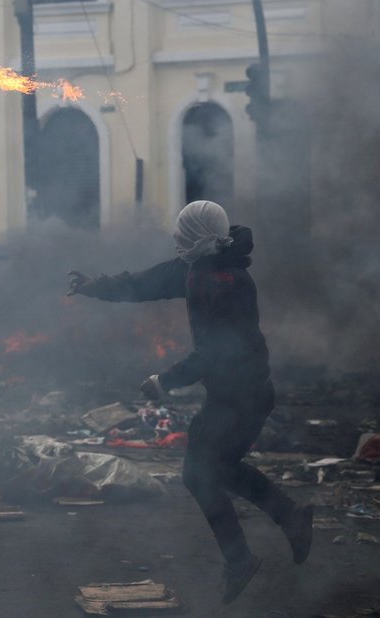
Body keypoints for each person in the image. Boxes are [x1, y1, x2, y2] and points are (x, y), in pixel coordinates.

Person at [67, 200, 313, 604]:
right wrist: (95, 285)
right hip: (232, 393)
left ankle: (241, 559)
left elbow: (218, 350)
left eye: (183, 234)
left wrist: (165, 381)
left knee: (199, 474)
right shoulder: (197, 268)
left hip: (243, 396)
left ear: (199, 236)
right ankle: (291, 520)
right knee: (220, 470)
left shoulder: (229, 282)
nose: (177, 240)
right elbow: (144, 283)